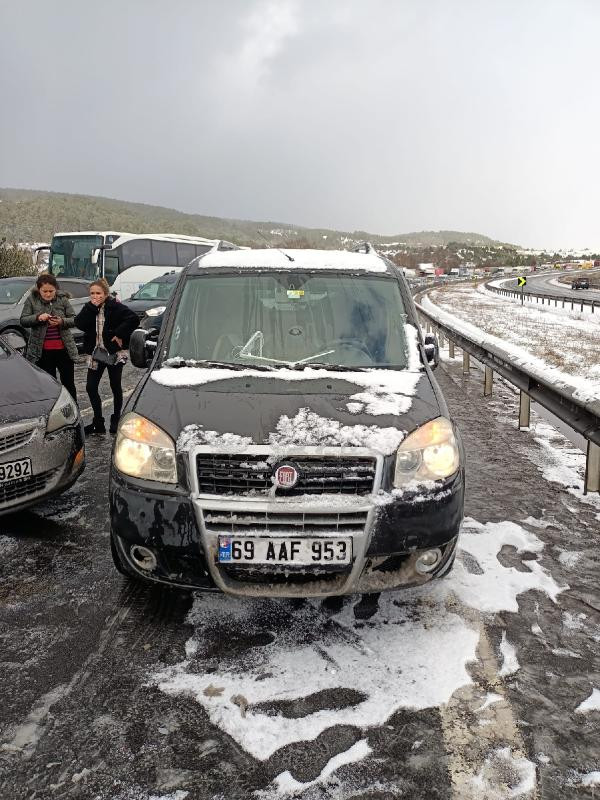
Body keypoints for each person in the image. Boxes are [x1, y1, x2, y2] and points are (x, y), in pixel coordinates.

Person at [74, 278, 139, 435]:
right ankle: (98, 421)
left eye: (98, 293)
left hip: (113, 353)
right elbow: (79, 323)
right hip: (96, 353)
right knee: (91, 387)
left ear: (105, 293)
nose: (95, 296)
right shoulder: (89, 307)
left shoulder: (115, 306)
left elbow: (133, 319)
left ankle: (116, 419)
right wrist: (91, 308)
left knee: (115, 386)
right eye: (92, 293)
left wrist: (119, 333)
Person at [20, 273, 78, 402]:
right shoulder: (32, 299)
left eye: (51, 291)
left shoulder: (62, 299)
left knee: (69, 384)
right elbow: (23, 320)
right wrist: (38, 317)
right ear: (38, 289)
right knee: (49, 385)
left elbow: (75, 319)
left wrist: (61, 321)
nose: (47, 294)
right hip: (43, 352)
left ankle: (74, 411)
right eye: (44, 291)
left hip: (64, 350)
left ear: (56, 289)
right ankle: (53, 413)